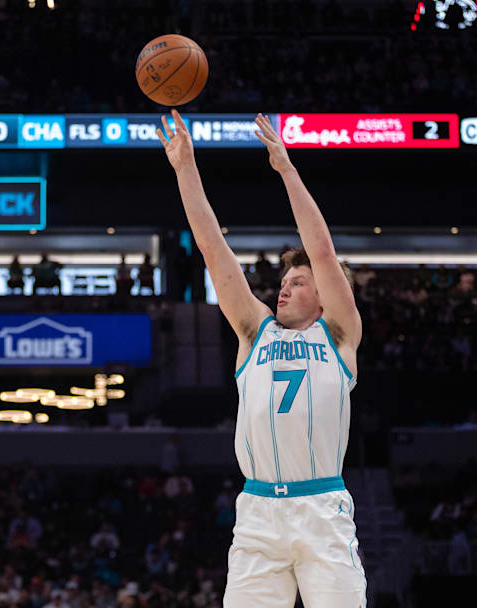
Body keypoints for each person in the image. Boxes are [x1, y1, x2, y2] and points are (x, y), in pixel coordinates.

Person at [157, 110, 366, 607]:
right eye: (283, 282)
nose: (283, 289)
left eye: (298, 282)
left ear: (324, 295)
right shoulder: (256, 331)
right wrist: (186, 168)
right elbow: (213, 250)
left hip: (322, 509)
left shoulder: (338, 335)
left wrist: (287, 170)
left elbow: (322, 250)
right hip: (257, 513)